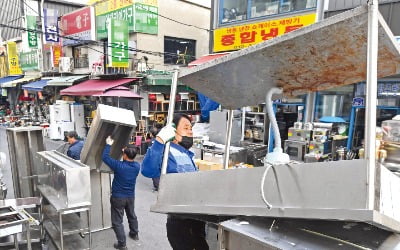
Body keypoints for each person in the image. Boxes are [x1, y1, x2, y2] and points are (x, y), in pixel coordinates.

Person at [141, 114, 209, 250]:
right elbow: (148, 170)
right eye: (186, 127)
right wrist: (159, 141)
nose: (190, 131)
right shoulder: (166, 152)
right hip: (180, 221)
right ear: (172, 131)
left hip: (197, 219)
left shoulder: (187, 154)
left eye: (191, 128)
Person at [102, 137, 140, 250]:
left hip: (118, 197)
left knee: (117, 221)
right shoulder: (137, 166)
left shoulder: (119, 166)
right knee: (131, 215)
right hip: (130, 197)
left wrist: (108, 144)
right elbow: (128, 158)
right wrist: (126, 151)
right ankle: (134, 233)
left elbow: (105, 157)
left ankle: (122, 244)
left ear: (125, 155)